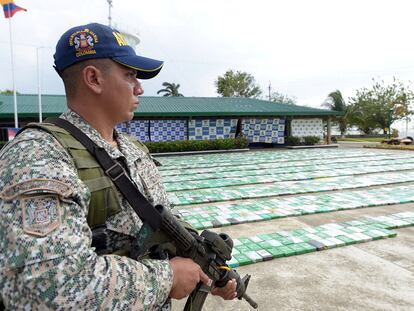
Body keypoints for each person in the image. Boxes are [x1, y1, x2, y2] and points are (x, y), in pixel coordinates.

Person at [0, 22, 236, 310]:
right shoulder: (38, 156)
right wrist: (167, 277)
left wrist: (210, 268)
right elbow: (50, 287)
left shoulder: (133, 149)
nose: (139, 87)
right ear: (93, 79)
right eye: (130, 75)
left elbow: (163, 218)